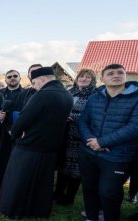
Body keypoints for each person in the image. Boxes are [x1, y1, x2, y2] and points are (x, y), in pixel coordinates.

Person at [77, 64, 138, 221]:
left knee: (108, 193)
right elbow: (83, 120)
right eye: (110, 73)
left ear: (126, 76)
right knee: (89, 188)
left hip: (117, 156)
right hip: (89, 152)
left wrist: (103, 142)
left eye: (120, 72)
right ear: (102, 78)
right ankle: (91, 217)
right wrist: (90, 141)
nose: (116, 75)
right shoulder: (95, 97)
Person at [0, 66, 74, 219]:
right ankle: (38, 208)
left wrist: (14, 132)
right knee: (42, 184)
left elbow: (23, 119)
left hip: (29, 147)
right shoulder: (67, 95)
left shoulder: (42, 95)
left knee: (20, 179)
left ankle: (14, 208)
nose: (34, 87)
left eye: (34, 83)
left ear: (42, 79)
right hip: (50, 148)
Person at [54, 69, 97, 206]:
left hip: (79, 136)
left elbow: (94, 116)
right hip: (63, 133)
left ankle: (69, 196)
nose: (83, 79)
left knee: (76, 168)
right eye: (81, 76)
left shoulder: (94, 96)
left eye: (87, 77)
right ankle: (58, 192)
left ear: (92, 80)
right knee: (62, 163)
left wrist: (74, 118)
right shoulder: (70, 92)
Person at [0, 69, 26, 184]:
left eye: (15, 76)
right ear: (5, 80)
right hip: (2, 131)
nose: (12, 78)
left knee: (16, 159)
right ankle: (0, 183)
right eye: (9, 77)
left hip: (18, 131)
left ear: (20, 78)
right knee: (1, 156)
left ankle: (13, 183)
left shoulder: (26, 93)